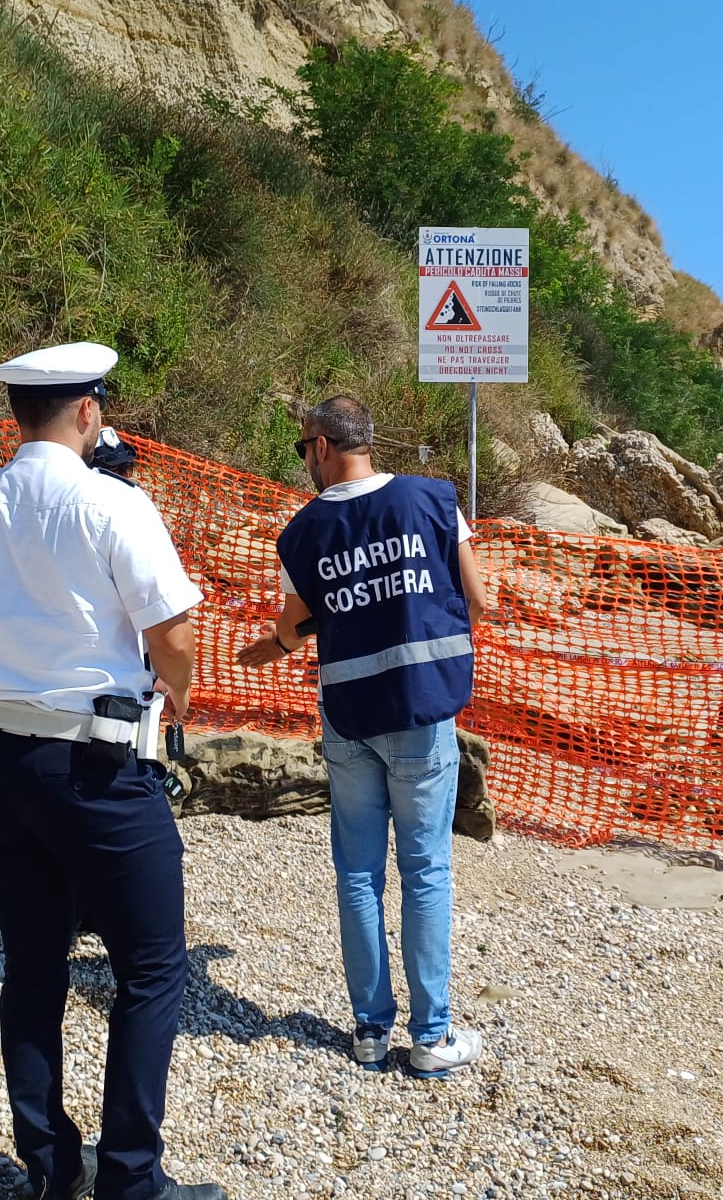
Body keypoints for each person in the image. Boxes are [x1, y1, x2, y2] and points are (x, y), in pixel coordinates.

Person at [0, 342, 225, 1200]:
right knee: (153, 968)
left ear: (19, 416)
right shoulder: (114, 505)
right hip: (99, 765)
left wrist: (5, 670)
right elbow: (175, 632)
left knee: (34, 964)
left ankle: (50, 1170)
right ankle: (131, 1179)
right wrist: (179, 693)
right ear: (88, 413)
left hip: (1, 760)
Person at [237, 394, 490, 1079]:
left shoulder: (303, 533)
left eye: (301, 450)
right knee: (425, 870)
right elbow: (481, 598)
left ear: (322, 446)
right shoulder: (433, 500)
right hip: (420, 711)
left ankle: (370, 1032)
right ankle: (432, 1037)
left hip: (347, 715)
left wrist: (272, 645)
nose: (304, 463)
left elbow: (298, 624)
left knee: (357, 873)